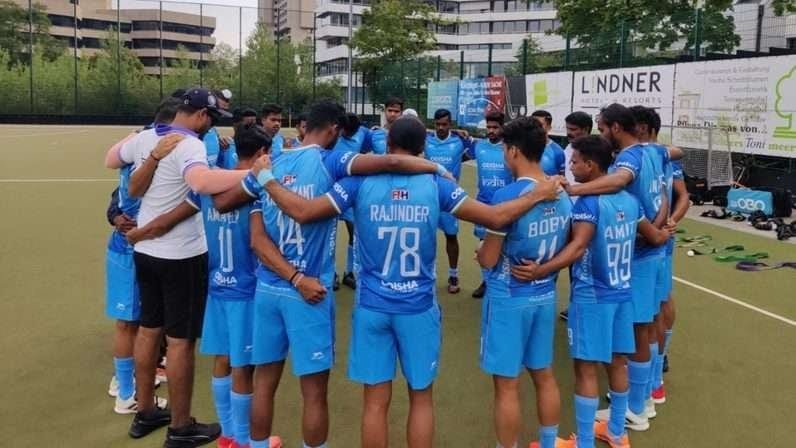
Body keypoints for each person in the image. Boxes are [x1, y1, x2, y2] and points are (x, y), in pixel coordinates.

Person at [258, 116, 562, 448]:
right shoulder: (436, 184)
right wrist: (538, 194)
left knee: (375, 402)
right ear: (423, 149)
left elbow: (304, 211)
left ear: (387, 146)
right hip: (418, 308)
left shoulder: (358, 182)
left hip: (373, 306)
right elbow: (496, 217)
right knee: (421, 398)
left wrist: (267, 178)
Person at [246, 101, 457, 448]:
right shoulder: (331, 160)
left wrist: (265, 177)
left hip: (269, 288)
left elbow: (256, 238)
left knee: (264, 383)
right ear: (332, 130)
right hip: (308, 291)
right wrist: (433, 166)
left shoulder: (273, 161)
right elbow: (388, 162)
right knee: (314, 394)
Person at [106, 88, 257, 446]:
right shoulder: (190, 144)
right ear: (201, 116)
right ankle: (181, 425)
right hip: (181, 256)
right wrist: (252, 175)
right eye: (210, 119)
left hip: (146, 251)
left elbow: (112, 159)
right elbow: (202, 183)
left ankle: (144, 411)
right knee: (179, 342)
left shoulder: (144, 137)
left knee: (148, 330)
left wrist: (141, 148)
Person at [513, 136, 669, 448]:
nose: (570, 167)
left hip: (592, 298)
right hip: (623, 294)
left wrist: (541, 270)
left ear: (591, 165)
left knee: (584, 368)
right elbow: (654, 235)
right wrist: (665, 215)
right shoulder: (629, 200)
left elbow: (578, 246)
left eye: (575, 162)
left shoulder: (588, 204)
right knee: (616, 362)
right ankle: (616, 432)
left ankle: (584, 442)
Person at [564, 103, 681, 432]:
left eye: (602, 129)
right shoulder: (657, 151)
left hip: (641, 258)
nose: (601, 134)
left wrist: (575, 188)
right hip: (655, 248)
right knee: (646, 323)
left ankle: (636, 407)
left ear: (616, 128)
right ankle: (649, 394)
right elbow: (663, 190)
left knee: (638, 330)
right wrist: (660, 226)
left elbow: (618, 181)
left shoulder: (628, 159)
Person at [476, 116, 572, 448]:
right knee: (544, 375)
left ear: (514, 151)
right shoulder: (560, 193)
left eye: (505, 148)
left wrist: (481, 252)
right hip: (545, 296)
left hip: (508, 298)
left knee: (506, 385)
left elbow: (488, 258)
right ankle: (549, 443)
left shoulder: (508, 196)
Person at [103, 97, 184, 413]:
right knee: (131, 324)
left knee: (138, 323)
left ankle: (130, 383)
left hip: (129, 245)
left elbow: (115, 177)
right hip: (134, 248)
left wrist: (114, 214)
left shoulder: (133, 145)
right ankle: (126, 393)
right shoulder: (158, 147)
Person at [425, 108, 471, 294]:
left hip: (450, 199)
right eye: (438, 124)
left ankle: (453, 274)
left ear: (450, 124)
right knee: (425, 236)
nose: (441, 128)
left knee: (451, 236)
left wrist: (463, 134)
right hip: (428, 196)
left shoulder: (460, 141)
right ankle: (426, 274)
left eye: (445, 124)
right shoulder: (426, 140)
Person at [469, 111, 513, 299]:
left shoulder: (510, 149)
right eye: (488, 127)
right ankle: (487, 281)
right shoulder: (479, 147)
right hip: (483, 204)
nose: (491, 131)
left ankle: (503, 281)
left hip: (505, 205)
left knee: (505, 247)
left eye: (495, 127)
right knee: (482, 246)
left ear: (503, 127)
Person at [558, 111, 594, 321]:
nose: (569, 134)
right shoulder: (566, 150)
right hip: (569, 216)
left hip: (590, 214)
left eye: (574, 130)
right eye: (568, 129)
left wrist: (575, 191)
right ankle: (575, 304)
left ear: (586, 130)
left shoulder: (596, 151)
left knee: (587, 261)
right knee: (574, 263)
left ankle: (584, 307)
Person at [334, 112, 373, 290]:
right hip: (331, 190)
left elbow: (367, 150)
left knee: (354, 233)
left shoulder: (364, 133)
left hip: (352, 192)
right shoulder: (332, 134)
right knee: (329, 234)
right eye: (345, 131)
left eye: (351, 133)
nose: (347, 135)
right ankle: (331, 272)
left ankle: (349, 272)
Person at [531, 110, 566, 176]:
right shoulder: (521, 147)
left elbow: (561, 179)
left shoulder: (557, 152)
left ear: (549, 127)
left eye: (540, 125)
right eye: (533, 124)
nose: (535, 128)